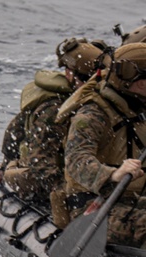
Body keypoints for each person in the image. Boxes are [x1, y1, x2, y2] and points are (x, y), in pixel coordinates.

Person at [0, 37, 107, 211]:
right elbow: (39, 160)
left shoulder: (95, 102)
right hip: (42, 173)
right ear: (69, 74)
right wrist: (66, 190)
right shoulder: (55, 108)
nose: (90, 84)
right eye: (85, 78)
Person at [57, 43, 146, 241]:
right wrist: (113, 174)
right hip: (91, 207)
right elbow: (76, 161)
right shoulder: (93, 114)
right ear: (139, 83)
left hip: (130, 199)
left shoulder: (136, 110)